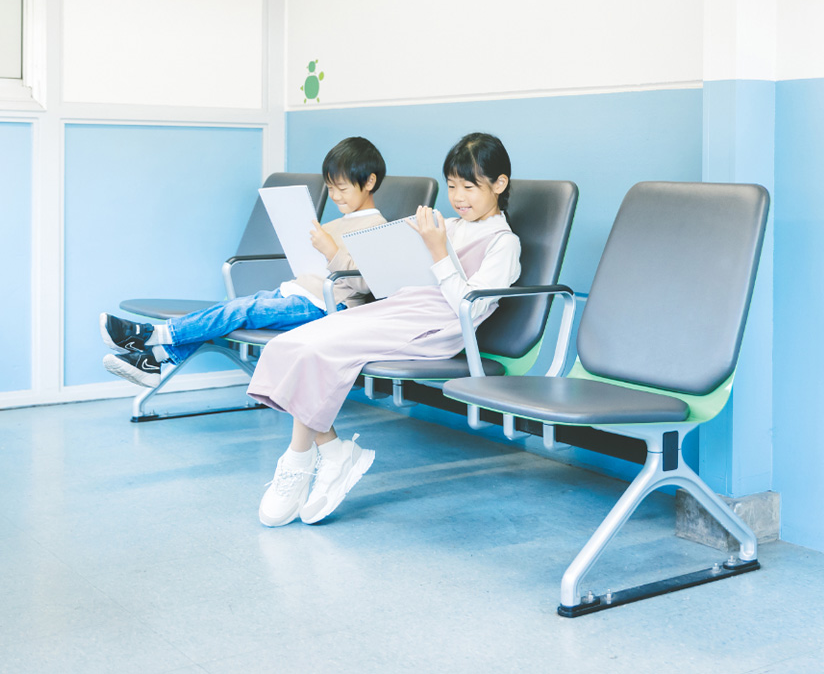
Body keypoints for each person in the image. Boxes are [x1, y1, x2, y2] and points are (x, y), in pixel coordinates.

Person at [247, 132, 521, 527]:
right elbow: (404, 280)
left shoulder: (503, 242)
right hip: (401, 308)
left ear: (499, 184)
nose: (459, 196)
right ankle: (329, 452)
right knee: (292, 342)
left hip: (436, 326)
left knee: (320, 348)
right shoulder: (449, 225)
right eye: (452, 186)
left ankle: (299, 457)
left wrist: (437, 249)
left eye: (470, 186)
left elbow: (467, 304)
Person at [99, 136, 388, 388]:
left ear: (369, 181)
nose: (335, 196)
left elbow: (364, 283)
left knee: (240, 309)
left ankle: (149, 336)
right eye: (331, 188)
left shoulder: (377, 226)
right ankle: (156, 361)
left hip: (326, 306)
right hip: (298, 294)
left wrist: (330, 250)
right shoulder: (338, 223)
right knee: (226, 310)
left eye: (342, 188)